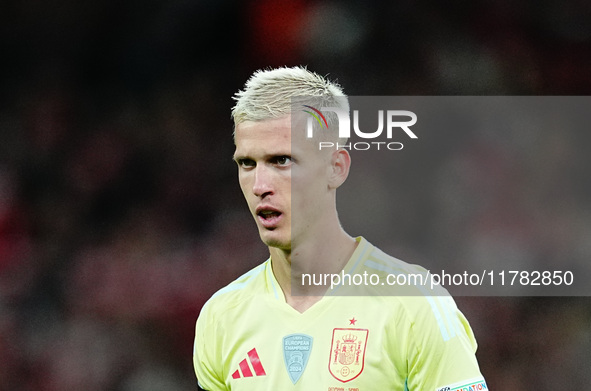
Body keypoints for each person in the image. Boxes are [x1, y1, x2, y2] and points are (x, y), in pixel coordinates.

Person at [193, 66, 487, 390]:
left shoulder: (412, 304)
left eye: (282, 160)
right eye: (247, 163)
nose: (260, 184)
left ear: (336, 168)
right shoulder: (221, 316)